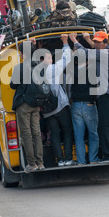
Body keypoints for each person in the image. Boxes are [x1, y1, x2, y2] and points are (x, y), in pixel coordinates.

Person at [69, 32, 109, 163]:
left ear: (106, 42)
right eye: (96, 42)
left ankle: (108, 156)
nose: (97, 44)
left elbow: (84, 52)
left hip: (107, 94)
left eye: (100, 42)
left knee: (105, 126)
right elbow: (94, 50)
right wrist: (88, 40)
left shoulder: (104, 54)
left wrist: (74, 40)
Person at [10, 38, 44, 171]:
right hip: (36, 104)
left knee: (26, 134)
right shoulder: (40, 66)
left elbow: (13, 85)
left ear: (23, 54)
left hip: (23, 104)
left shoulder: (20, 67)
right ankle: (40, 163)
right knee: (36, 133)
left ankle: (32, 164)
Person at [41, 34, 74, 166]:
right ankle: (68, 158)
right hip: (60, 106)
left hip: (47, 109)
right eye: (49, 58)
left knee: (54, 133)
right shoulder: (52, 69)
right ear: (44, 60)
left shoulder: (35, 71)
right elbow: (66, 59)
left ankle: (59, 160)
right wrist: (65, 42)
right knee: (67, 131)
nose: (52, 60)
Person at [69, 47, 99, 165]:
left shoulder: (73, 71)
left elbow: (69, 65)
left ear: (76, 62)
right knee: (93, 134)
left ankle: (81, 161)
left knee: (78, 136)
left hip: (76, 106)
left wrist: (73, 55)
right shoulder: (92, 71)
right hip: (89, 105)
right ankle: (93, 160)